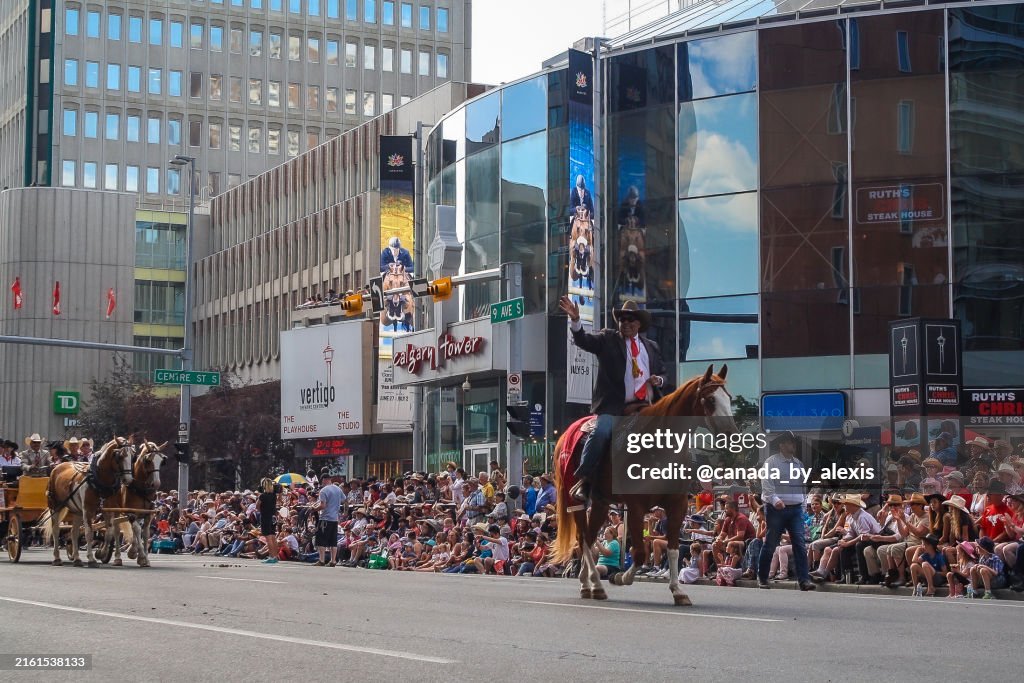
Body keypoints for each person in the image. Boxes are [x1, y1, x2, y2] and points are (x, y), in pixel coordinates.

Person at [557, 296, 666, 503]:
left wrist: (659, 379)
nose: (625, 323)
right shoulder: (608, 338)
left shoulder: (651, 346)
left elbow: (664, 373)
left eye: (630, 320)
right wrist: (576, 321)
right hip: (614, 407)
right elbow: (584, 341)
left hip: (645, 406)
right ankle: (585, 479)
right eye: (622, 320)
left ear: (639, 324)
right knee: (601, 432)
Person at [758, 431, 816, 591]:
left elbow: (802, 486)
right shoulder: (771, 462)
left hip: (795, 509)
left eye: (793, 442)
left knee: (799, 543)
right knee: (770, 543)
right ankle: (762, 577)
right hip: (776, 508)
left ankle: (804, 579)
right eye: (790, 442)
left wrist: (803, 505)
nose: (793, 445)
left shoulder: (798, 463)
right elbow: (767, 484)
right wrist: (775, 500)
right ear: (781, 445)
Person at [314, 474, 344, 567]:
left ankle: (321, 560)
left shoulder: (323, 490)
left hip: (325, 518)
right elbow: (343, 500)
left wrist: (313, 509)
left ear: (323, 480)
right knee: (333, 540)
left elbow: (323, 505)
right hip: (335, 518)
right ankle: (333, 560)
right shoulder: (338, 489)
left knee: (321, 539)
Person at [259, 478, 280, 564]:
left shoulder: (263, 495)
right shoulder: (274, 495)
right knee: (273, 537)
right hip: (272, 516)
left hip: (266, 516)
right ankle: (275, 556)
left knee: (268, 538)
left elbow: (257, 505)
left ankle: (272, 556)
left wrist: (262, 509)